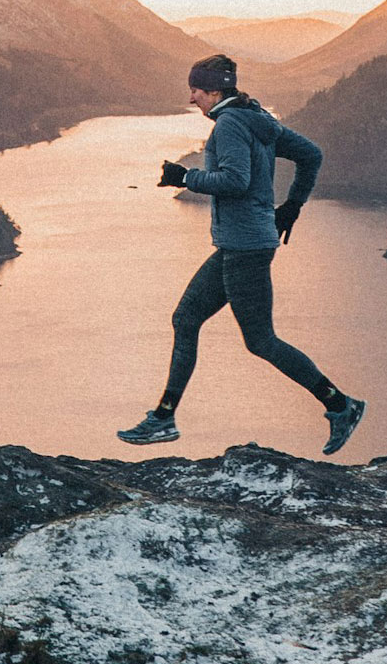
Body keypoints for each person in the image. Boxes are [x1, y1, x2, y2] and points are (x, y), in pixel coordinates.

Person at [118, 54, 367, 454]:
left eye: (196, 90)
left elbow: (235, 181)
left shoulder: (231, 124)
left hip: (245, 247)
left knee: (261, 341)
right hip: (244, 242)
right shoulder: (255, 116)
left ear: (215, 89)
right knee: (186, 318)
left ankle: (341, 405)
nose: (192, 97)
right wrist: (291, 207)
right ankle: (164, 417)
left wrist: (186, 177)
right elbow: (311, 154)